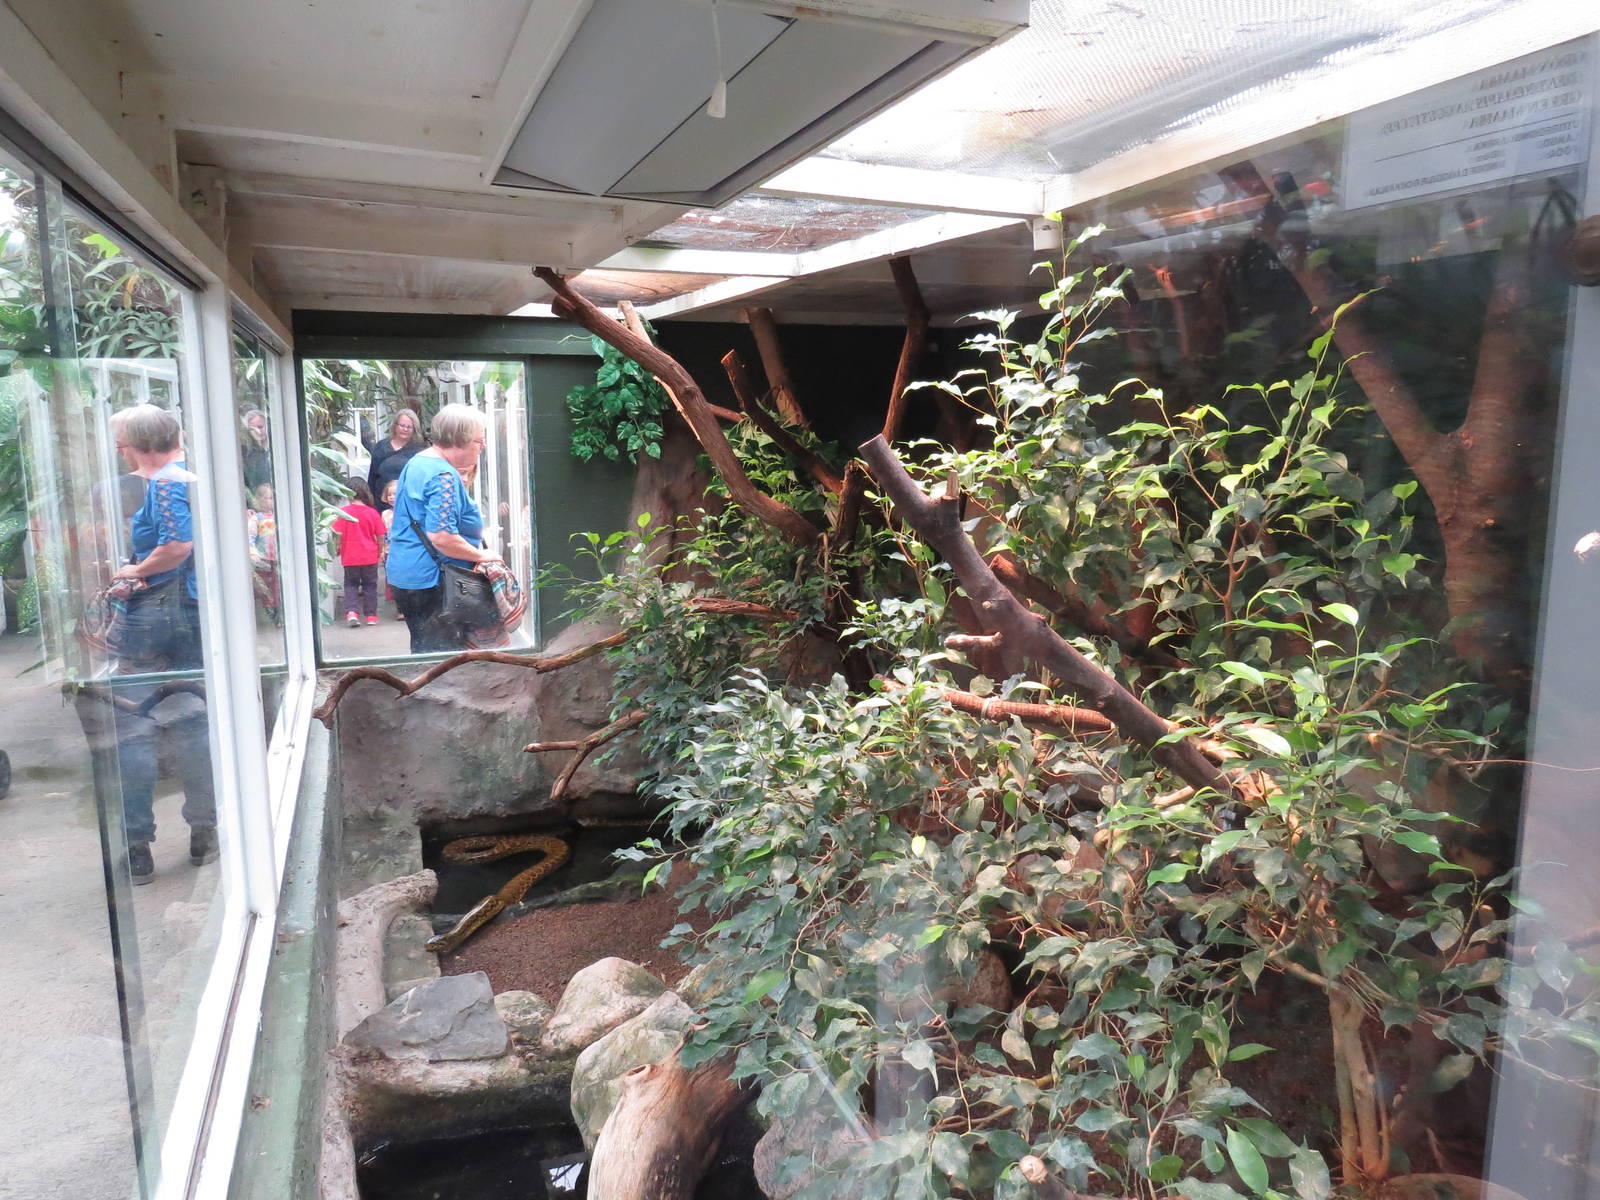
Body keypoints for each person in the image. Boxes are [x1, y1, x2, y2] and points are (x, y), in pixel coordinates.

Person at [104, 404, 216, 884]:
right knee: (193, 723)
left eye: (122, 441)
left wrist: (133, 571)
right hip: (192, 616)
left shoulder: (167, 482)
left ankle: (137, 844)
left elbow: (176, 546)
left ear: (136, 443)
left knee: (132, 728)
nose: (118, 449)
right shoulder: (190, 478)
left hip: (157, 623)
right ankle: (204, 834)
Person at [386, 404, 501, 653]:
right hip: (432, 578)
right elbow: (441, 536)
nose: (482, 447)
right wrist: (483, 555)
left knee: (423, 645)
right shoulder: (443, 476)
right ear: (459, 440)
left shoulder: (419, 461)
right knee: (441, 655)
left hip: (408, 573)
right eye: (479, 441)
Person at [334, 478, 387, 627]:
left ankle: (352, 613)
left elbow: (338, 535)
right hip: (369, 555)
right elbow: (380, 535)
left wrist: (337, 549)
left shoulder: (343, 513)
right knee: (370, 586)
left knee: (350, 584)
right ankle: (371, 616)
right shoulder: (372, 513)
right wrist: (380, 550)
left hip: (350, 556)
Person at [367, 407, 424, 511]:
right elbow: (372, 478)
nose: (405, 429)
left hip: (410, 506)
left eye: (409, 427)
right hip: (382, 505)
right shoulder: (381, 446)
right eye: (402, 425)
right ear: (395, 426)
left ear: (415, 429)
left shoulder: (421, 449)